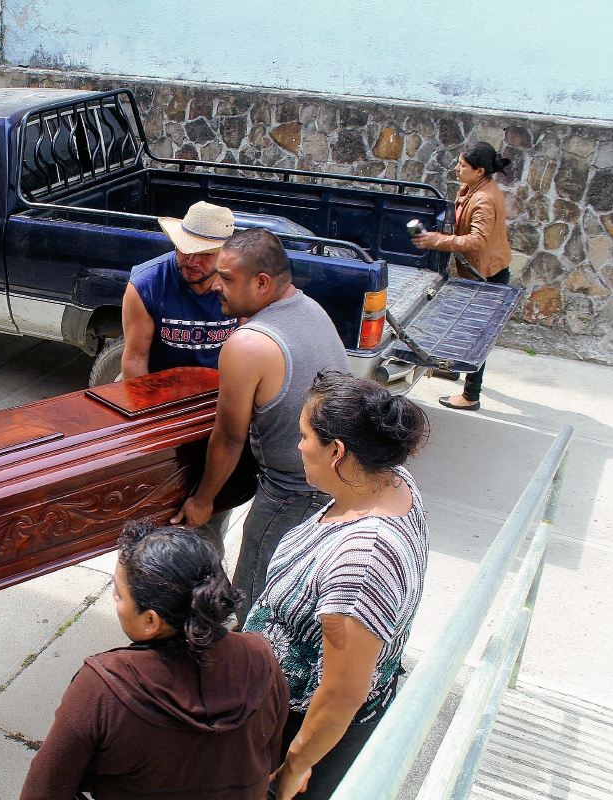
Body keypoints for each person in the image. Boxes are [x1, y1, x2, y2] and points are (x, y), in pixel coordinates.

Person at [244, 370, 430, 800]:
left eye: (304, 435)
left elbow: (343, 692)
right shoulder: (389, 479)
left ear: (337, 451)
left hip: (305, 730)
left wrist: (294, 766)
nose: (299, 445)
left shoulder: (361, 565)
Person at [20, 522, 289, 800]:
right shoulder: (261, 657)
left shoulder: (102, 688)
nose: (114, 599)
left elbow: (43, 791)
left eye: (119, 594)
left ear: (151, 621)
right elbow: (269, 755)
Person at [172, 228, 351, 622]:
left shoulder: (248, 343)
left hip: (292, 491)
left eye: (227, 278)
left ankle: (250, 674)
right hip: (339, 482)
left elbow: (230, 437)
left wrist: (202, 502)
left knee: (254, 604)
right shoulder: (310, 308)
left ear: (262, 283)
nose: (215, 284)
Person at [121, 200, 241, 555]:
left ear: (225, 254)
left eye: (204, 255)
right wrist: (152, 425)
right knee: (155, 506)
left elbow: (253, 349)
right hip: (162, 402)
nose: (191, 261)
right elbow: (134, 359)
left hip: (220, 406)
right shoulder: (146, 284)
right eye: (184, 249)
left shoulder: (240, 285)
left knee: (212, 506)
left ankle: (205, 577)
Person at [413, 141, 513, 411]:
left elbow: (478, 241)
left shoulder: (484, 199)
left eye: (462, 166)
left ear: (479, 171)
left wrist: (437, 240)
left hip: (486, 275)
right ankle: (452, 369)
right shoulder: (473, 188)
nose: (456, 169)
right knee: (464, 327)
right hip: (478, 270)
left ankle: (471, 395)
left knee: (476, 335)